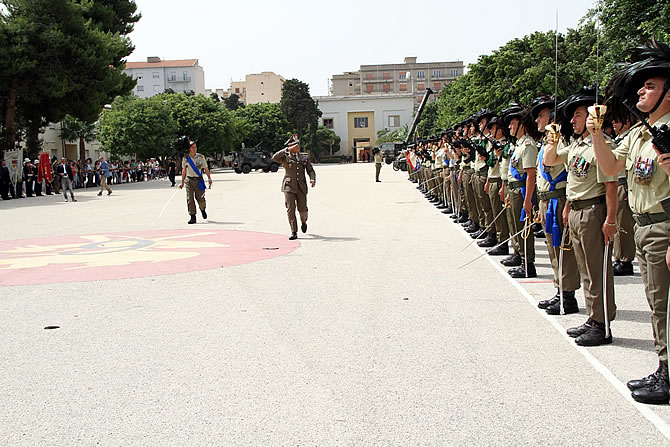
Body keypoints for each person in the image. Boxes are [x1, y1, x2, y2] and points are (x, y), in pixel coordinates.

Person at [589, 41, 670, 404]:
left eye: (651, 85)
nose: (641, 90)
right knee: (657, 301)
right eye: (642, 84)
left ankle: (668, 373)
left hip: (665, 225)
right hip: (644, 226)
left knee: (665, 303)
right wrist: (595, 133)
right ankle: (664, 366)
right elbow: (609, 167)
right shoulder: (641, 133)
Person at [544, 87, 618, 347]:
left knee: (597, 270)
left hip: (593, 210)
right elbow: (550, 160)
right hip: (575, 209)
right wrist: (552, 140)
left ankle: (603, 323)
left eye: (578, 115)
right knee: (586, 270)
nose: (573, 121)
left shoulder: (602, 145)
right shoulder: (576, 146)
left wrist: (611, 220)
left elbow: (611, 185)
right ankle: (593, 318)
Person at [272, 135, 316, 240]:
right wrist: (286, 150)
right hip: (288, 186)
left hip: (301, 187)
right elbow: (274, 157)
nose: (298, 147)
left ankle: (304, 221)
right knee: (290, 209)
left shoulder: (304, 157)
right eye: (295, 145)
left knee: (302, 209)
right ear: (290, 146)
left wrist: (312, 178)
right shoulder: (285, 156)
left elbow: (310, 170)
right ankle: (293, 231)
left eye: (298, 145)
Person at [179, 140, 213, 224]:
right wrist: (182, 182)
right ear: (189, 149)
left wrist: (209, 179)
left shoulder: (200, 157)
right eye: (192, 148)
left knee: (200, 198)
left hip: (198, 180)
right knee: (189, 199)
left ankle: (203, 209)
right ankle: (192, 216)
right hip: (189, 180)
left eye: (195, 147)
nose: (194, 149)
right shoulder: (186, 158)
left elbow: (206, 168)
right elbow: (184, 171)